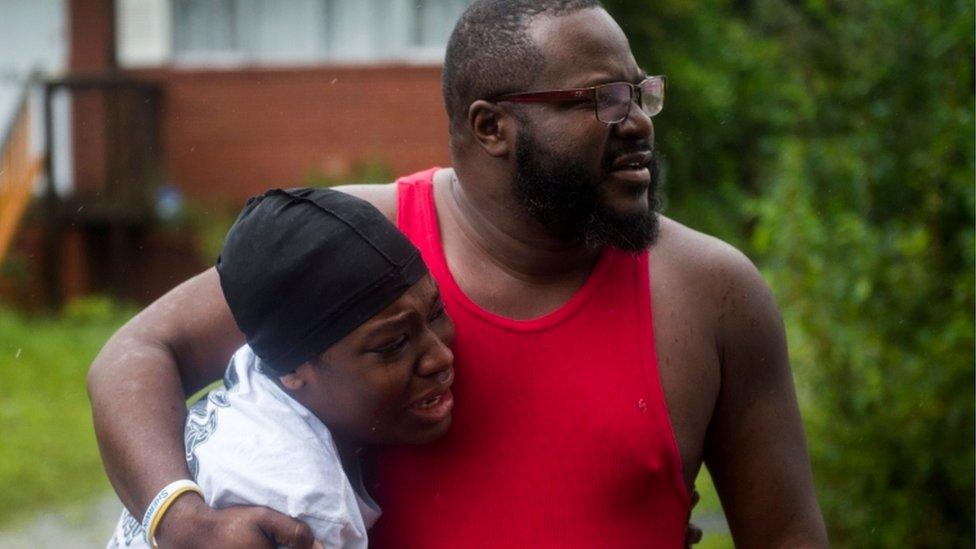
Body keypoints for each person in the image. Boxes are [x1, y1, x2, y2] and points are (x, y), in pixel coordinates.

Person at [88, 0, 829, 546]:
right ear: (490, 126)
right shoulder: (362, 244)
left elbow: (789, 532)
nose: (636, 121)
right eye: (600, 100)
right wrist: (180, 517)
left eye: (640, 93)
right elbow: (133, 354)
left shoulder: (715, 293)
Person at [106, 188, 455, 548]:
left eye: (436, 312)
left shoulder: (256, 372)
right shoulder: (300, 507)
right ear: (292, 371)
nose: (440, 357)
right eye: (391, 345)